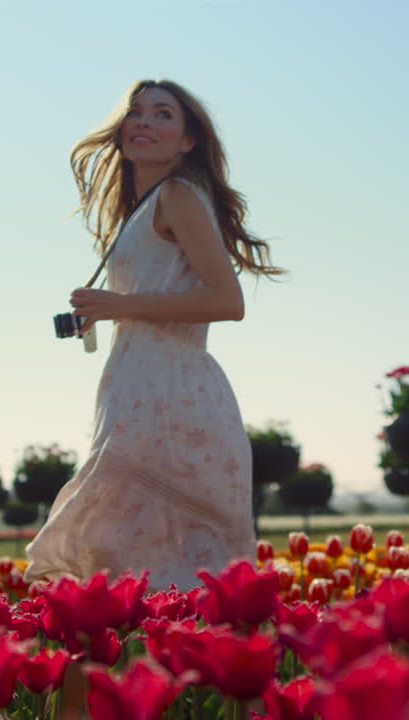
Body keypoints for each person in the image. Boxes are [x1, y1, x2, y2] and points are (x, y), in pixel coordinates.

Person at [23, 79, 284, 591]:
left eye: (163, 114)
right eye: (136, 112)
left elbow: (228, 302)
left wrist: (121, 305)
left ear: (188, 141)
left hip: (173, 395)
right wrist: (108, 312)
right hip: (138, 389)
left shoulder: (179, 195)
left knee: (118, 556)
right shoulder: (141, 210)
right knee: (124, 558)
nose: (144, 121)